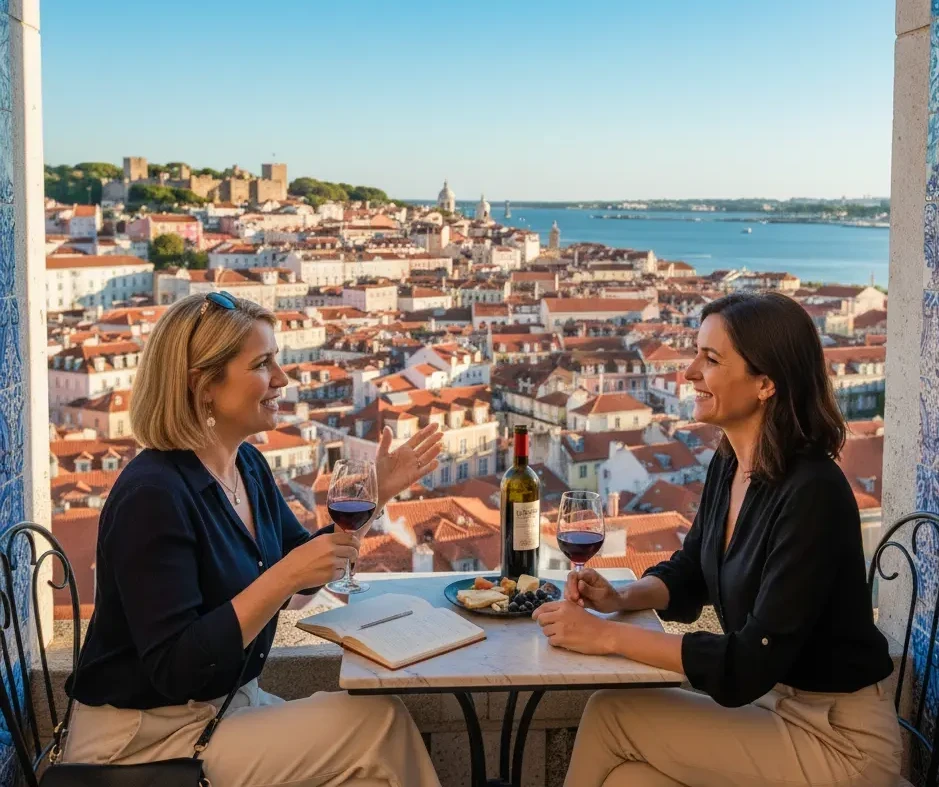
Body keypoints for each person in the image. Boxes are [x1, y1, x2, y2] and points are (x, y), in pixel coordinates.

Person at [61, 292, 444, 787]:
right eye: (263, 364)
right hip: (144, 740)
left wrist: (378, 495)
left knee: (365, 770)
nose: (283, 379)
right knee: (378, 725)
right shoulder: (151, 495)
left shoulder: (247, 467)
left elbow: (303, 580)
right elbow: (174, 670)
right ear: (203, 385)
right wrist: (285, 575)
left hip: (224, 711)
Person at [533, 292, 901, 787]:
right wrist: (622, 597)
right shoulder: (729, 462)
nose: (688, 372)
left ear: (766, 382)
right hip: (776, 709)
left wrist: (605, 635)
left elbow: (747, 663)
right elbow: (691, 571)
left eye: (710, 359)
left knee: (611, 712)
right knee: (630, 782)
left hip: (839, 739)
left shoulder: (814, 493)